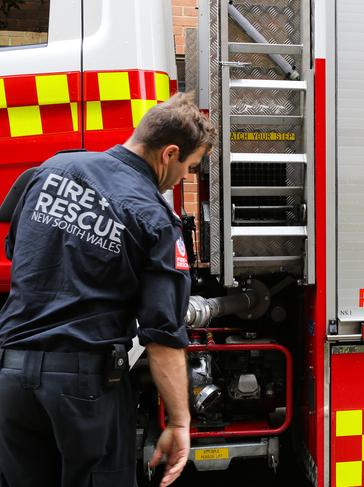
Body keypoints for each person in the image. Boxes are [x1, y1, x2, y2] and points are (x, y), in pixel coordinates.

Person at [0, 92, 215, 487]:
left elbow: (17, 249)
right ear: (169, 154)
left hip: (11, 379)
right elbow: (162, 335)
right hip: (83, 390)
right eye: (190, 165)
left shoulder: (52, 168)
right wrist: (180, 422)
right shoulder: (154, 217)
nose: (184, 176)